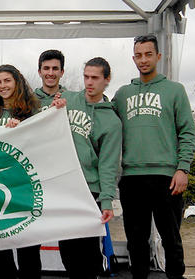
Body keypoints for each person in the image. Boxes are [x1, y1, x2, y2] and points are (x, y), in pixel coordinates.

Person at [112, 34, 195, 279]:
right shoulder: (122, 94)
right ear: (133, 58)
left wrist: (183, 169)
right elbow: (104, 122)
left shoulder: (175, 90)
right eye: (138, 55)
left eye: (148, 54)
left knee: (171, 239)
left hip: (166, 177)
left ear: (158, 56)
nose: (143, 60)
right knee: (136, 241)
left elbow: (187, 131)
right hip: (131, 178)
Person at [51, 57, 121, 279]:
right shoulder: (69, 98)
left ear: (106, 79)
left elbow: (108, 165)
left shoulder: (111, 121)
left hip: (89, 191)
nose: (89, 82)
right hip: (65, 186)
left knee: (88, 252)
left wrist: (107, 200)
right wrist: (56, 106)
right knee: (68, 251)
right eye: (86, 77)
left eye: (95, 78)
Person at [0, 64, 41, 279]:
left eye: (7, 80)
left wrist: (22, 131)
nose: (3, 86)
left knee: (28, 251)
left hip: (24, 189)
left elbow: (40, 143)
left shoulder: (32, 111)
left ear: (17, 82)